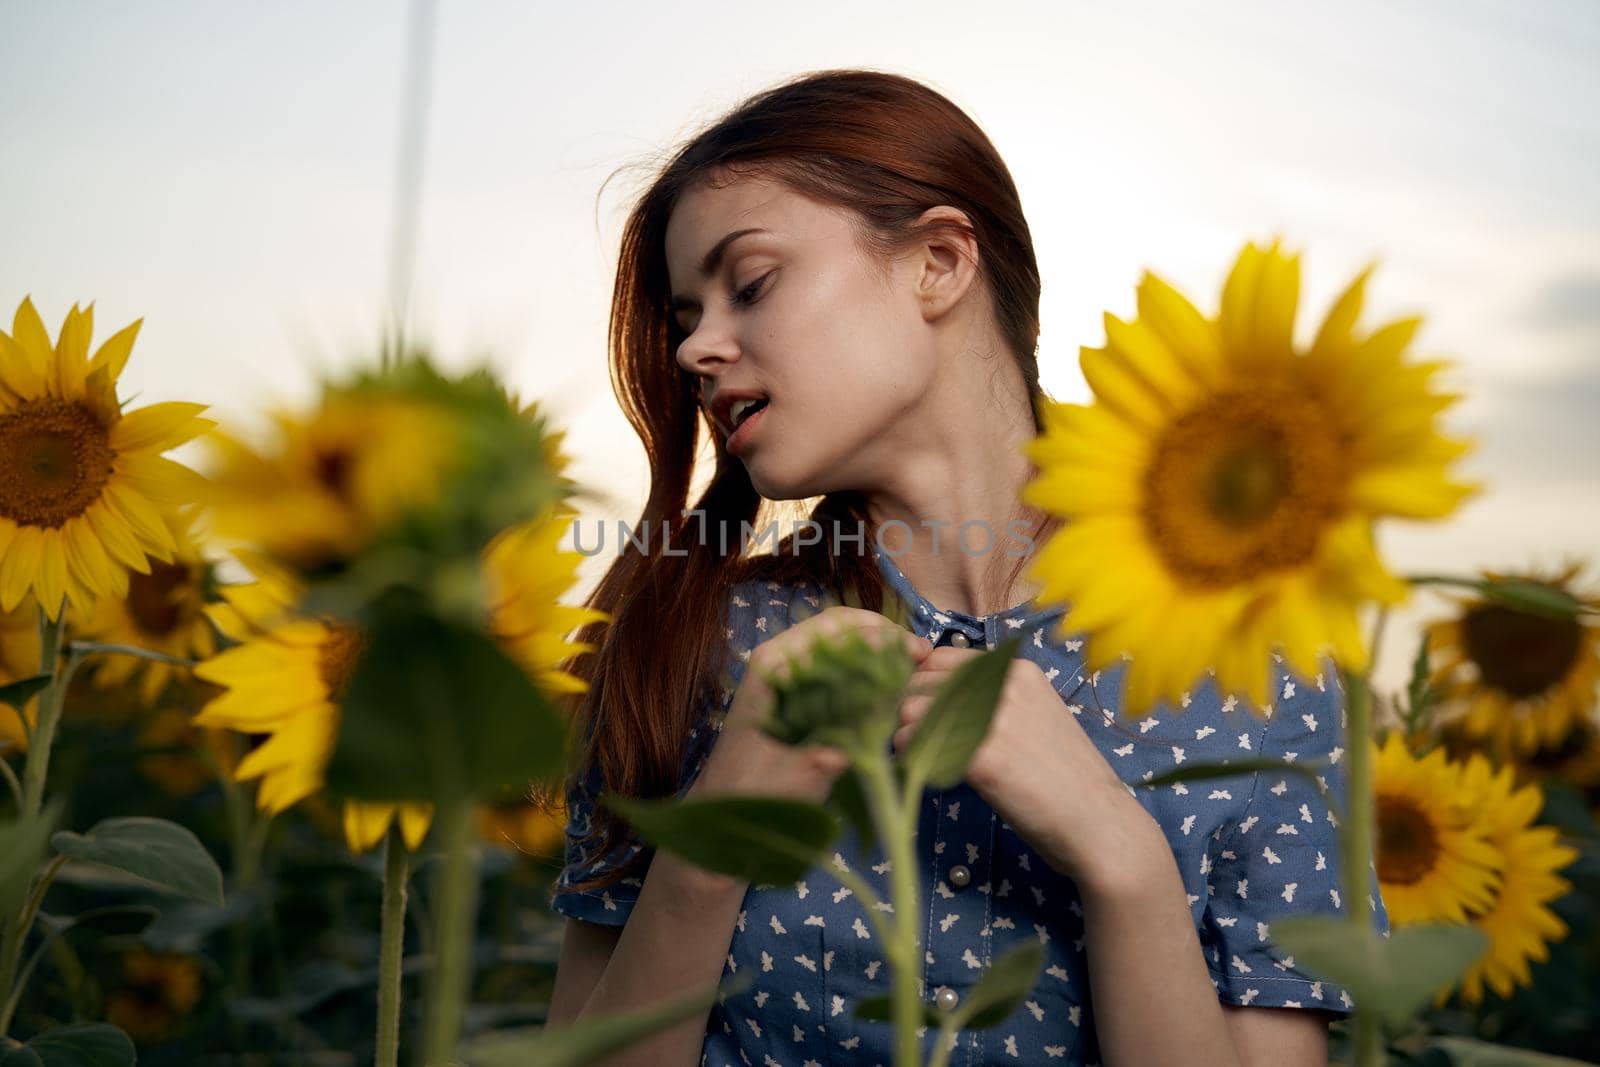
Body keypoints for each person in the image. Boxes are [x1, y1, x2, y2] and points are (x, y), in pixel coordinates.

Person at [540, 67, 1385, 1067]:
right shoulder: (686, 641)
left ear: (938, 261)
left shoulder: (1250, 649)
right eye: (684, 318)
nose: (696, 350)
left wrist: (1120, 857)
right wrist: (713, 841)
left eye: (751, 284)